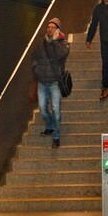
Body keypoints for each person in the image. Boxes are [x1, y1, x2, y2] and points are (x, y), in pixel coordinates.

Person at [31, 17, 69, 149]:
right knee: (42, 109)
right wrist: (36, 69)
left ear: (58, 30)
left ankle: (56, 137)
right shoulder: (40, 42)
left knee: (56, 111)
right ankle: (49, 126)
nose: (50, 29)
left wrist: (54, 41)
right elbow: (34, 56)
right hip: (42, 81)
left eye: (53, 28)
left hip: (55, 82)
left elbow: (60, 56)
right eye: (48, 27)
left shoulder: (63, 44)